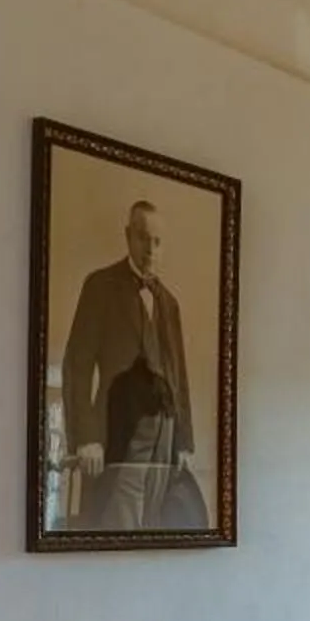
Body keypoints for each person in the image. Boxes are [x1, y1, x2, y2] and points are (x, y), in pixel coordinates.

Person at [60, 198, 203, 531]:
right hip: (121, 431)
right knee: (119, 525)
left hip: (164, 436)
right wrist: (85, 438)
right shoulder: (100, 286)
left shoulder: (169, 303)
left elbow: (178, 375)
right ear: (128, 236)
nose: (150, 249)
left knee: (154, 525)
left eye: (157, 241)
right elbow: (76, 364)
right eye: (142, 238)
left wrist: (182, 440)